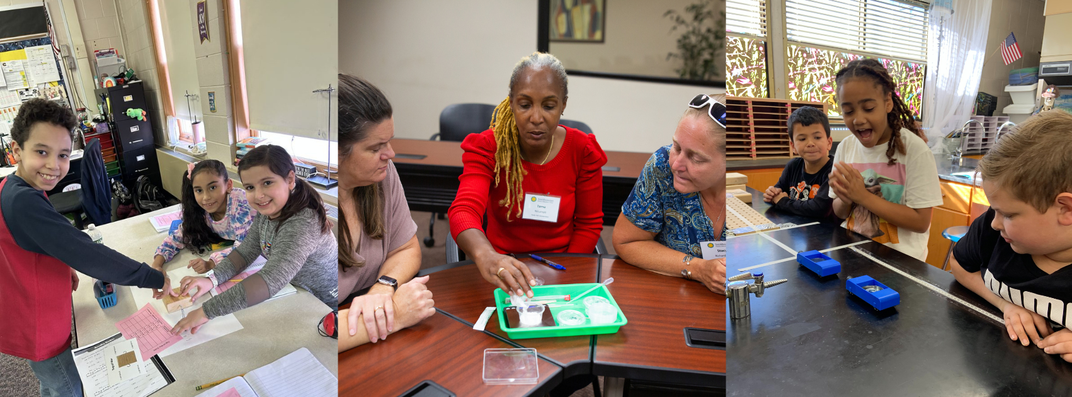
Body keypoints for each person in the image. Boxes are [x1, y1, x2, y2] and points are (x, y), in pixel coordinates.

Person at [0, 98, 164, 396]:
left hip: (31, 305)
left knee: (52, 382)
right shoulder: (23, 200)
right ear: (16, 151)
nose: (54, 165)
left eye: (63, 155)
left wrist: (63, 267)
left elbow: (41, 241)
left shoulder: (19, 187)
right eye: (41, 152)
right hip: (38, 324)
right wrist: (151, 276)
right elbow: (88, 254)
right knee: (68, 387)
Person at [448, 52, 607, 298]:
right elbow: (463, 211)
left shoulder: (582, 151)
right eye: (525, 105)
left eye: (549, 106)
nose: (536, 117)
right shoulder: (489, 147)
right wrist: (487, 256)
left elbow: (588, 224)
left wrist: (565, 271)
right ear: (511, 102)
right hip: (502, 268)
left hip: (561, 267)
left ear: (563, 104)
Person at [171, 145, 338, 334]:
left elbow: (270, 279)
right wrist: (212, 279)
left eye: (267, 183)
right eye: (250, 187)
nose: (258, 195)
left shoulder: (302, 222)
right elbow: (245, 251)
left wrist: (206, 311)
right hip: (297, 292)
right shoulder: (269, 210)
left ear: (290, 179)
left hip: (324, 306)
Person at [950, 110, 1072, 362]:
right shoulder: (995, 231)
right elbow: (960, 264)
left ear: (1066, 210)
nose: (994, 223)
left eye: (1008, 214)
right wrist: (1005, 304)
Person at [337, 74, 434, 351]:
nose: (390, 154)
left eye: (389, 141)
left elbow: (406, 249)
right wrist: (394, 313)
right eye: (375, 148)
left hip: (362, 335)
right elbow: (305, 330)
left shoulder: (381, 175)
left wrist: (382, 288)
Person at [612, 93, 727, 294]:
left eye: (696, 158)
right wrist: (698, 269)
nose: (676, 164)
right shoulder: (662, 166)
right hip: (672, 298)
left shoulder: (752, 192)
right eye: (677, 146)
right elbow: (627, 241)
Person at [828, 59, 942, 261]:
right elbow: (840, 212)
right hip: (853, 255)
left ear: (888, 102)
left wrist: (862, 196)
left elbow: (921, 222)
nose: (858, 119)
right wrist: (845, 197)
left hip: (900, 263)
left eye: (869, 108)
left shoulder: (915, 151)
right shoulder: (846, 147)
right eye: (848, 111)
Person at [150, 159, 254, 299]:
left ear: (228, 185)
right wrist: (157, 266)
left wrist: (211, 263)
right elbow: (176, 237)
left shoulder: (240, 204)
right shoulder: (200, 210)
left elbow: (245, 249)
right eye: (199, 190)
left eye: (212, 188)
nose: (206, 197)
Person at [764, 106, 836, 220]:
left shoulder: (834, 171)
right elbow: (779, 191)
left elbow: (819, 209)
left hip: (827, 234)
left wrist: (782, 202)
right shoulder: (793, 166)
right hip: (798, 232)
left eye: (817, 137)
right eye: (802, 139)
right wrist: (772, 193)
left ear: (829, 142)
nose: (810, 143)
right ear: (793, 146)